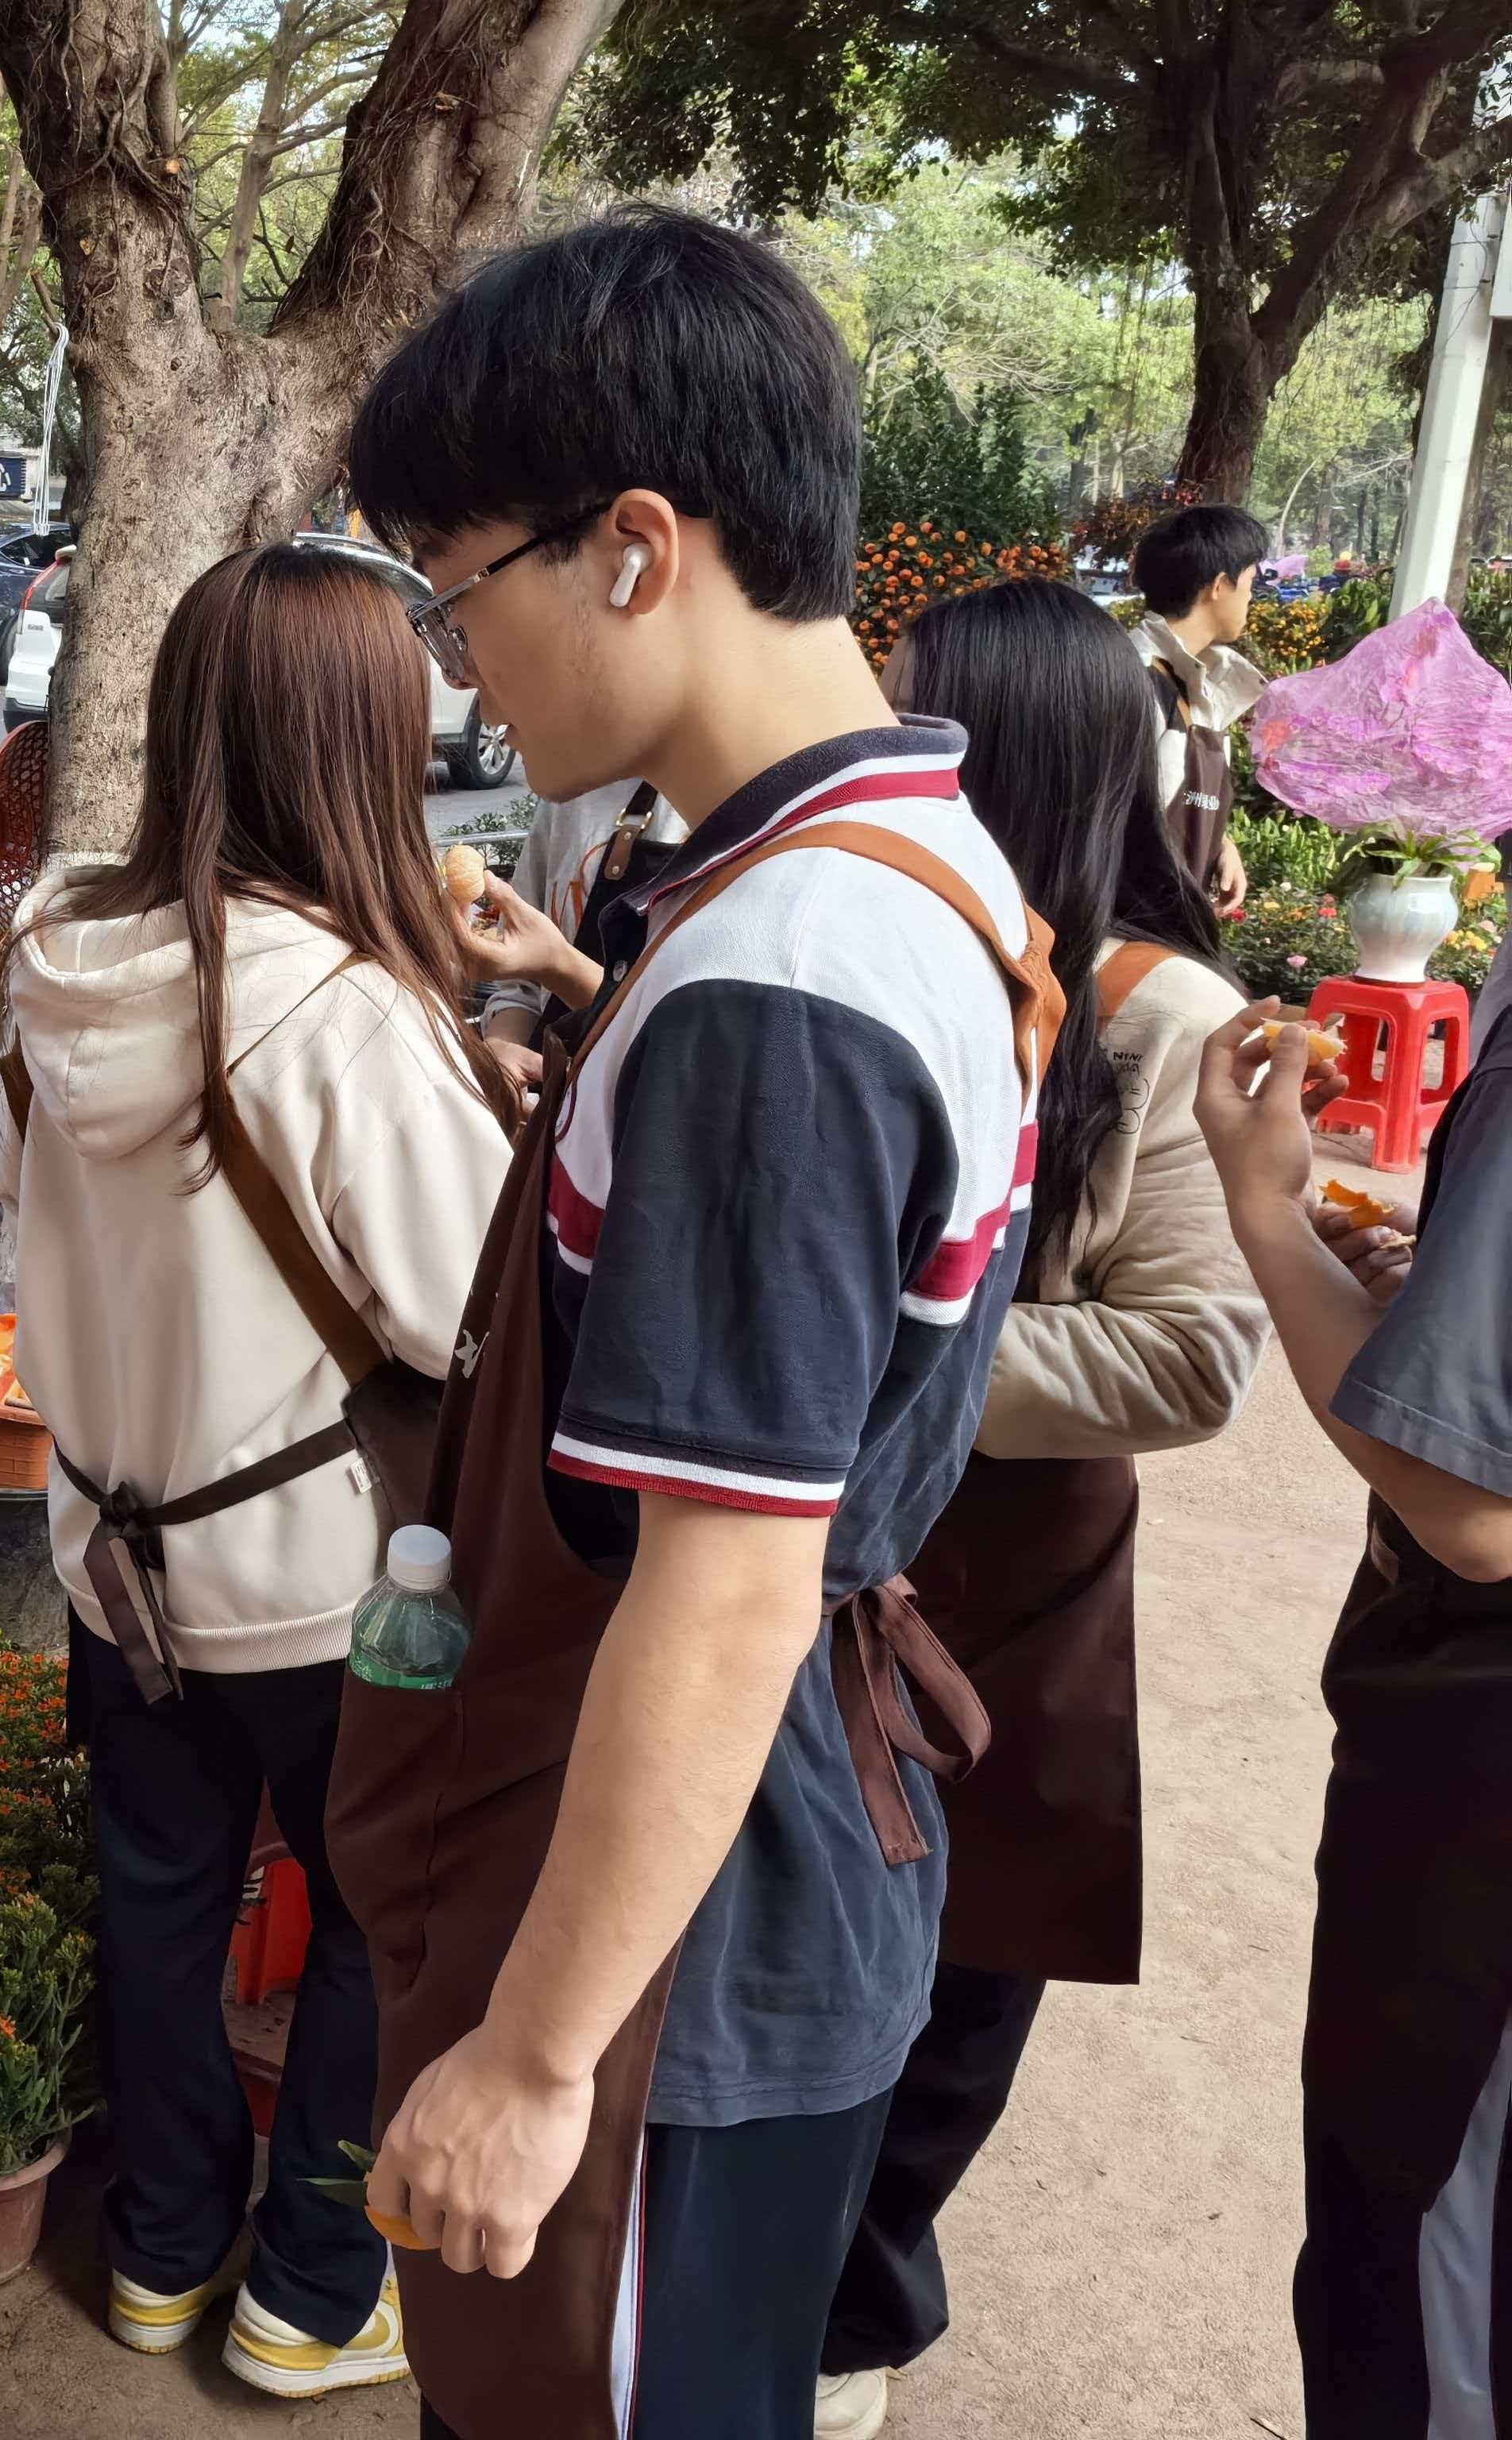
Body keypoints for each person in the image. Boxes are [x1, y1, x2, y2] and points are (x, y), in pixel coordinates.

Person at [334, 204, 1059, 2440]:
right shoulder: (897, 862)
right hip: (724, 1872)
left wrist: (537, 2055)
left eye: (459, 592)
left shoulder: (784, 976)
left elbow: (732, 1582)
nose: (466, 675)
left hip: (680, 1949)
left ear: (635, 548)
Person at [0, 542, 515, 2398]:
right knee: (378, 1919)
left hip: (113, 1559)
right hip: (320, 1583)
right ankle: (307, 2293)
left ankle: (157, 2251)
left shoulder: (60, 961)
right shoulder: (337, 1005)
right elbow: (471, 1317)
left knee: (156, 1896)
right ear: (361, 741)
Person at [812, 581, 1266, 2437]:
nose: (873, 742)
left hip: (1006, 1569)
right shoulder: (890, 938)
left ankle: (849, 2318)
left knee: (965, 1960)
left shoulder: (1165, 1017)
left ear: (1000, 753)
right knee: (805, 1930)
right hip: (839, 1541)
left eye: (911, 714)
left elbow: (1193, 1357)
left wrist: (884, 1349)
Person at [1193, 989, 1512, 2437]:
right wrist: (1433, 1309)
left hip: (1477, 1812)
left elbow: (1472, 1510)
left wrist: (1264, 1208)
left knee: (1423, 2292)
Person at [468, 779, 685, 1091]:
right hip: (553, 1102)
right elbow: (521, 988)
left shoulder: (736, 829)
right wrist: (502, 1050)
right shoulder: (567, 797)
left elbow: (689, 1049)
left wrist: (558, 965)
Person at [1130, 500, 1273, 920]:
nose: (1251, 597)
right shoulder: (1134, 681)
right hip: (1129, 931)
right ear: (1219, 586)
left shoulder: (1203, 689)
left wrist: (1218, 844)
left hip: (1178, 927)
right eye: (1250, 582)